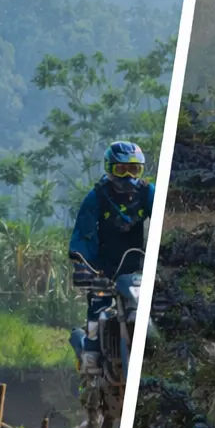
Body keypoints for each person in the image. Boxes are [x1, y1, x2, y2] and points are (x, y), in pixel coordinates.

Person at [70, 141, 154, 369]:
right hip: (103, 269)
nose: (128, 176)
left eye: (134, 170)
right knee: (97, 313)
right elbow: (84, 234)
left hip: (136, 269)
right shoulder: (96, 197)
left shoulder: (148, 193)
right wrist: (82, 266)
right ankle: (90, 357)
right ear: (110, 168)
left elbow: (163, 221)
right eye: (121, 170)